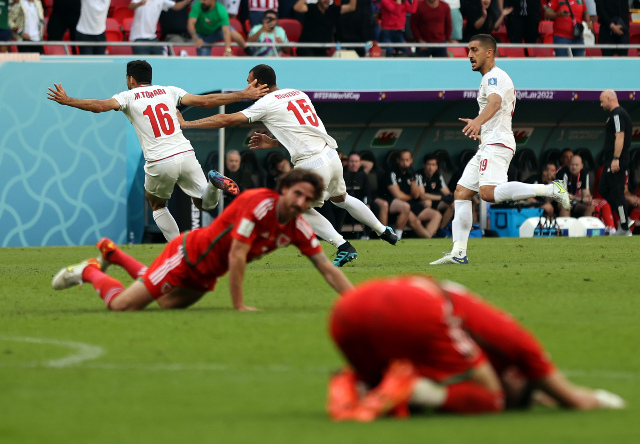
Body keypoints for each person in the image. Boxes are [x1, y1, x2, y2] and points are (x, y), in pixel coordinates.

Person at [177, 64, 399, 267]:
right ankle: (383, 230)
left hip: (312, 164)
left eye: (249, 81)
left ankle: (343, 245)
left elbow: (227, 120)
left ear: (258, 84)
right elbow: (302, 131)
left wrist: (187, 124)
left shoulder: (265, 103)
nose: (247, 86)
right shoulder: (297, 93)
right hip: (331, 155)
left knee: (294, 208)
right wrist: (274, 142)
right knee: (342, 199)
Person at [327, 276, 625, 422]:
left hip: (346, 312)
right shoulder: (520, 347)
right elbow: (573, 399)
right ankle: (415, 391)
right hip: (414, 308)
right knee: (490, 399)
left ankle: (359, 385)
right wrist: (604, 399)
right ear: (518, 375)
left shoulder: (459, 338)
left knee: (395, 387)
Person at [51, 169, 354, 312]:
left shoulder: (298, 228)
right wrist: (239, 306)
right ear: (284, 190)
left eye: (308, 198)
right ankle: (90, 270)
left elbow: (326, 267)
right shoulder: (259, 203)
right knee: (123, 307)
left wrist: (356, 302)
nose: (301, 201)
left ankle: (112, 253)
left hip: (207, 272)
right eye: (297, 193)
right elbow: (237, 253)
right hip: (186, 255)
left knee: (165, 303)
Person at [47, 60, 268, 242]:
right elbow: (207, 101)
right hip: (185, 153)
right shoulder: (169, 91)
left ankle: (178, 249)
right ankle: (213, 182)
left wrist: (68, 100)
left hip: (159, 160)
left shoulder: (127, 96)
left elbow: (100, 106)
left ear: (131, 79)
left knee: (157, 204)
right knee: (206, 203)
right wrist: (242, 94)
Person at [430, 34, 570, 265]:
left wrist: (477, 121)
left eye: (474, 50)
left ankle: (551, 190)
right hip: (489, 142)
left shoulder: (494, 77)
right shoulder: (490, 78)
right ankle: (458, 252)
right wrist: (481, 130)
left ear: (489, 52)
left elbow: (494, 103)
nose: (469, 55)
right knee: (462, 192)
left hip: (497, 143)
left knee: (487, 194)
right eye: (468, 50)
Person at [385, 150, 442, 238]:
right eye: (402, 160)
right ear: (398, 160)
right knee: (414, 219)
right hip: (397, 206)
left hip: (411, 204)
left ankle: (428, 236)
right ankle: (398, 237)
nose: (405, 163)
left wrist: (412, 179)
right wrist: (410, 196)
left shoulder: (412, 173)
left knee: (437, 215)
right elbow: (398, 196)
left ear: (411, 160)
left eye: (407, 160)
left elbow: (416, 195)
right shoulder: (392, 172)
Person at [599, 89, 633, 236]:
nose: (601, 104)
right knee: (604, 189)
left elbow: (620, 136)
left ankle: (624, 226)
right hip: (610, 160)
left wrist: (616, 158)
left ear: (609, 98)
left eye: (602, 101)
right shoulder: (614, 115)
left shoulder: (618, 114)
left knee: (617, 192)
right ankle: (625, 220)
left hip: (616, 160)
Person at [343, 152, 389, 238]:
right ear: (347, 162)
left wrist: (366, 203)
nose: (354, 164)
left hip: (359, 202)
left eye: (356, 161)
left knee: (372, 206)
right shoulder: (341, 172)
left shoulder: (363, 174)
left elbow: (367, 192)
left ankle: (368, 235)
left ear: (360, 163)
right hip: (344, 202)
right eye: (351, 161)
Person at [417, 154, 455, 230]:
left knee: (453, 204)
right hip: (419, 202)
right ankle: (426, 229)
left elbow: (447, 193)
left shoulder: (437, 176)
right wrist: (442, 197)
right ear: (424, 165)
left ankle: (440, 230)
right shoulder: (419, 175)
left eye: (433, 165)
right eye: (429, 164)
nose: (431, 167)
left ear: (437, 167)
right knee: (428, 202)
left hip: (434, 201)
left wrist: (454, 197)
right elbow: (422, 195)